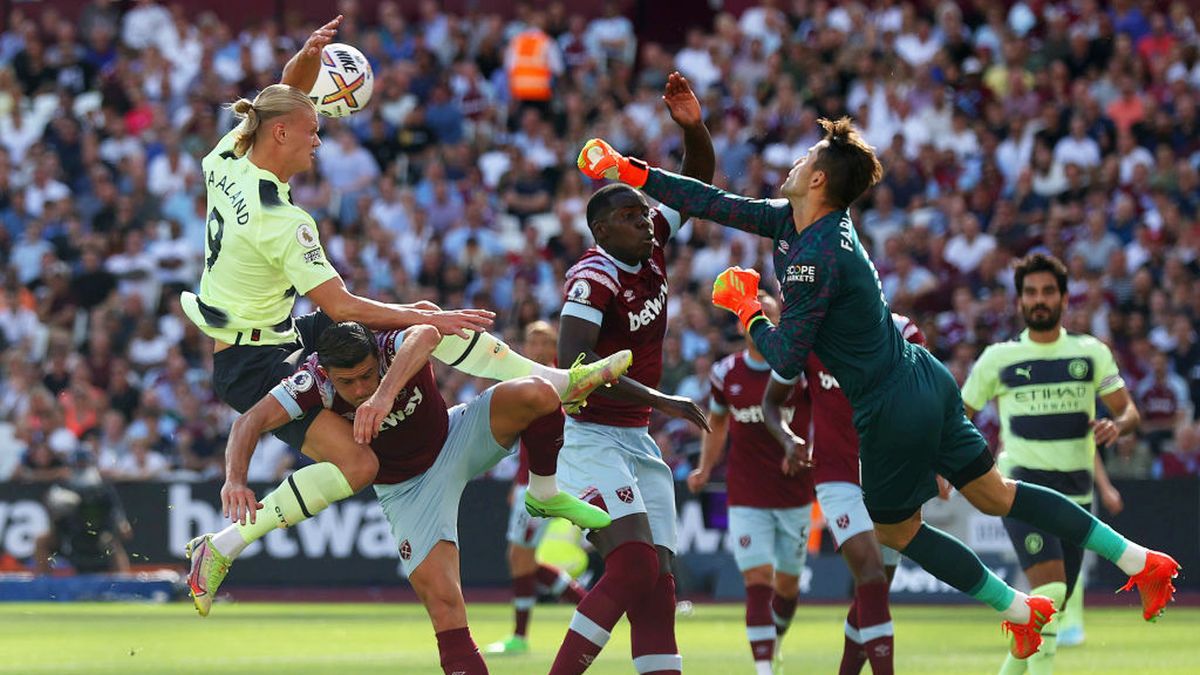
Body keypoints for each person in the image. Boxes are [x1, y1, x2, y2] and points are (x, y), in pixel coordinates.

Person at [577, 116, 1179, 661]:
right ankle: (1139, 560)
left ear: (817, 180)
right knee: (996, 494)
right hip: (923, 375)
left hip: (888, 406)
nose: (791, 165)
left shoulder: (815, 258)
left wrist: (748, 312)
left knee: (897, 532)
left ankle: (1020, 612)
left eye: (803, 159)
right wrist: (627, 169)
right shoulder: (801, 222)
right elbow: (711, 202)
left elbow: (787, 356)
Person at [181, 15, 605, 616]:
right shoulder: (282, 221)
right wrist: (437, 318)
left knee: (421, 320)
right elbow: (343, 306)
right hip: (253, 362)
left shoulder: (230, 153)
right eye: (310, 132)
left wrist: (307, 56)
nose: (318, 141)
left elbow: (286, 92)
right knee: (359, 461)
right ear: (279, 135)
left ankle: (560, 383)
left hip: (273, 332)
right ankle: (221, 545)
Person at [213, 320, 629, 674]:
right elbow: (249, 421)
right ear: (326, 372)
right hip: (408, 490)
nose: (359, 388)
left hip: (456, 435)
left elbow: (427, 333)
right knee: (446, 607)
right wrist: (235, 479)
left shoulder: (387, 345)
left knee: (538, 393)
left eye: (366, 375)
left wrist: (383, 393)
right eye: (348, 382)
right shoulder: (312, 382)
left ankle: (544, 494)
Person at [548, 71, 714, 675]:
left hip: (636, 437)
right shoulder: (592, 279)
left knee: (659, 583)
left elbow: (695, 189)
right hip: (587, 436)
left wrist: (693, 127)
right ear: (601, 230)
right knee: (635, 568)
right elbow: (575, 366)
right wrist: (666, 400)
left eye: (644, 211)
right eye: (629, 214)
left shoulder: (650, 250)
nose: (645, 219)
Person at [961, 253, 1140, 675]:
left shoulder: (1091, 353)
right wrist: (948, 467)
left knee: (1047, 611)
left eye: (1047, 292)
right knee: (1052, 589)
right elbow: (957, 416)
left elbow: (1129, 411)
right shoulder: (998, 358)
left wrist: (1119, 425)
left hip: (1077, 498)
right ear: (1020, 300)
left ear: (1063, 298)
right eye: (1030, 293)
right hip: (1022, 490)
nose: (1038, 300)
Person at [763, 312, 927, 675]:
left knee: (875, 590)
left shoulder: (902, 331)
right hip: (837, 475)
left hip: (891, 477)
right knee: (869, 574)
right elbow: (774, 401)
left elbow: (927, 396)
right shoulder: (809, 337)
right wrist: (790, 439)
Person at [687, 294, 814, 675]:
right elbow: (719, 424)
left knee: (788, 586)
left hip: (794, 491)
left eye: (767, 315)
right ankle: (763, 668)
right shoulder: (726, 372)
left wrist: (807, 450)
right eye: (752, 316)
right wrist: (705, 467)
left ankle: (773, 642)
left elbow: (822, 414)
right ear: (743, 325)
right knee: (757, 579)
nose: (759, 322)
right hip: (745, 491)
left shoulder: (800, 368)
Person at [487, 320, 589, 657]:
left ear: (554, 347)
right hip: (529, 481)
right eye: (533, 341)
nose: (538, 347)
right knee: (520, 557)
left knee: (521, 558)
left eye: (545, 342)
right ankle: (588, 604)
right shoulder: (526, 381)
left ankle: (520, 636)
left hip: (545, 484)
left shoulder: (562, 384)